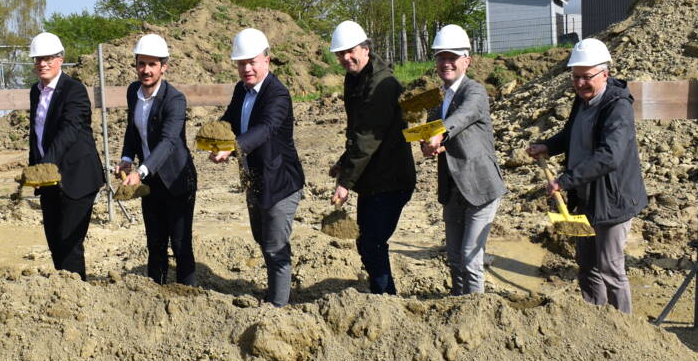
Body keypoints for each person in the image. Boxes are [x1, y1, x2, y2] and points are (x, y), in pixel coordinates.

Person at [526, 38, 646, 314]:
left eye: (586, 77)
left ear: (605, 74)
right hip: (585, 199)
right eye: (575, 77)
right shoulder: (582, 101)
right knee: (587, 265)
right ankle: (595, 322)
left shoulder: (617, 106)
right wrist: (549, 146)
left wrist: (564, 180)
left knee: (610, 268)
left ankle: (625, 329)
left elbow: (610, 155)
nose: (580, 84)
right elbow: (572, 134)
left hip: (612, 200)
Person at [209, 28, 305, 307]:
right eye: (242, 63)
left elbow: (267, 127)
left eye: (252, 62)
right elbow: (229, 119)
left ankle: (278, 308)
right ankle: (280, 291)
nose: (247, 68)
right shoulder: (242, 90)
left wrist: (234, 147)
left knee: (276, 247)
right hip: (255, 179)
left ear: (267, 60)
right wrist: (215, 137)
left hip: (281, 182)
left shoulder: (278, 94)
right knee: (262, 239)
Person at [326, 20, 416, 295]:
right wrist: (344, 159)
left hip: (391, 178)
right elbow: (359, 129)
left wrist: (345, 182)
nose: (345, 58)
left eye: (350, 51)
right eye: (340, 54)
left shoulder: (383, 84)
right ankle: (383, 293)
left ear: (365, 48)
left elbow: (369, 137)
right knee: (366, 242)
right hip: (372, 178)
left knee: (373, 242)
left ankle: (386, 298)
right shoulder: (355, 77)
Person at [420, 25, 506, 296]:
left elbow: (464, 116)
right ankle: (458, 306)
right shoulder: (439, 99)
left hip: (480, 187)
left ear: (466, 61)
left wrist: (440, 133)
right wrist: (427, 145)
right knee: (455, 258)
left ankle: (476, 313)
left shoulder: (475, 91)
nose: (446, 63)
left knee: (470, 258)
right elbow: (432, 135)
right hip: (453, 187)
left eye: (452, 58)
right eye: (441, 57)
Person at [116, 34, 198, 286]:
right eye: (142, 64)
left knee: (181, 243)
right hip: (151, 181)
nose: (146, 70)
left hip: (176, 179)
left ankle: (190, 295)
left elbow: (169, 142)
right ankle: (155, 291)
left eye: (152, 64)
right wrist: (127, 157)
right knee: (155, 242)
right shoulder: (133, 92)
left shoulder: (174, 100)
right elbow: (133, 128)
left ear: (164, 66)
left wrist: (140, 172)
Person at [27, 31, 104, 280]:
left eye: (48, 58)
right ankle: (64, 292)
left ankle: (77, 296)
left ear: (61, 59)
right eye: (38, 59)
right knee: (54, 243)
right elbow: (37, 134)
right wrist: (35, 168)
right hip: (49, 181)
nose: (43, 63)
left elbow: (69, 130)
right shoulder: (35, 91)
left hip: (77, 177)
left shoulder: (74, 90)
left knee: (70, 244)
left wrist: (45, 165)